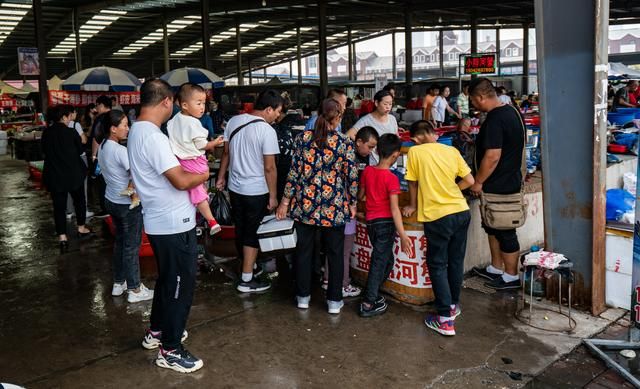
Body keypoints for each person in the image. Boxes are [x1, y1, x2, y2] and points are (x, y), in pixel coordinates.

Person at [128, 78, 209, 373]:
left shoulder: (137, 130)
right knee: (179, 285)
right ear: (166, 102)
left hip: (160, 220)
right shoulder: (153, 137)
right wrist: (204, 175)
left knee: (166, 280)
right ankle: (171, 349)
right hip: (174, 223)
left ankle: (158, 331)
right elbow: (180, 179)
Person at [276, 98, 358, 314]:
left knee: (303, 252)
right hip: (334, 207)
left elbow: (293, 173)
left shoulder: (302, 139)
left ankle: (303, 297)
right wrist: (353, 203)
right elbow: (351, 177)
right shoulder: (344, 143)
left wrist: (285, 201)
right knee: (335, 254)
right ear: (338, 117)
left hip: (305, 205)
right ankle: (333, 301)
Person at [402, 120, 474, 336]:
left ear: (417, 138)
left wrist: (413, 204)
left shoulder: (415, 152)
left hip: (437, 217)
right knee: (455, 261)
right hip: (461, 212)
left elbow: (412, 184)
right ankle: (453, 305)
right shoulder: (451, 150)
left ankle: (444, 319)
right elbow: (470, 180)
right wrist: (451, 191)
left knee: (438, 264)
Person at [215, 89, 282, 293]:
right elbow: (269, 167)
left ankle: (249, 265)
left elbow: (226, 152)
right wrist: (273, 195)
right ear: (268, 109)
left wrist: (221, 176)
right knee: (252, 233)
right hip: (256, 190)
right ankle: (246, 279)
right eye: (277, 111)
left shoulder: (234, 121)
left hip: (235, 188)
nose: (278, 116)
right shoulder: (267, 131)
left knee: (242, 228)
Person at [468, 78, 525, 291]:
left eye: (473, 100)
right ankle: (496, 267)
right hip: (505, 180)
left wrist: (478, 181)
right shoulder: (511, 112)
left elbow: (492, 156)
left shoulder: (495, 119)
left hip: (501, 184)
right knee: (491, 225)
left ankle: (511, 276)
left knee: (504, 229)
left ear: (481, 97)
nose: (473, 105)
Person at [98, 110, 152, 303]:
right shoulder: (120, 151)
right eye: (124, 125)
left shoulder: (103, 146)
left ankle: (118, 283)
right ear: (113, 129)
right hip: (126, 205)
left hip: (111, 201)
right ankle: (135, 289)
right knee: (131, 247)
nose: (128, 129)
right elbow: (137, 175)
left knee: (120, 243)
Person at [321, 126, 379, 298]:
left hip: (337, 207)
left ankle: (327, 280)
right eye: (369, 146)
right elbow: (353, 186)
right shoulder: (349, 156)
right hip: (346, 210)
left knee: (334, 247)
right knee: (344, 250)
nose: (371, 151)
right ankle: (343, 284)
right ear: (358, 141)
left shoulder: (358, 156)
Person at [358, 134, 411, 317]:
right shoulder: (391, 178)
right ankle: (368, 303)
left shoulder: (367, 171)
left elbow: (361, 196)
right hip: (386, 224)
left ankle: (371, 293)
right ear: (396, 155)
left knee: (386, 260)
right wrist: (403, 236)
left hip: (371, 223)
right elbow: (395, 210)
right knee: (380, 262)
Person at [166, 83, 224, 236]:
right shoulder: (193, 123)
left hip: (179, 161)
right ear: (184, 105)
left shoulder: (175, 119)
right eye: (198, 103)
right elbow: (203, 145)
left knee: (196, 190)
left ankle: (199, 216)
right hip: (195, 162)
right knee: (200, 193)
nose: (202, 107)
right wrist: (215, 143)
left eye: (204, 103)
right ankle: (211, 221)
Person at [41, 104, 93, 253]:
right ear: (63, 117)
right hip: (73, 173)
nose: (71, 117)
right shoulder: (71, 133)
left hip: (55, 175)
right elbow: (80, 150)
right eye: (69, 115)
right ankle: (81, 228)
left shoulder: (46, 133)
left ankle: (62, 237)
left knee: (59, 207)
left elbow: (44, 151)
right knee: (79, 201)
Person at [347, 90, 398, 164]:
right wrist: (367, 145)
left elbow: (396, 137)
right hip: (374, 164)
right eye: (385, 104)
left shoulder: (392, 119)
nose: (388, 107)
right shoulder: (366, 120)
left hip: (392, 165)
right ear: (376, 103)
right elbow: (349, 134)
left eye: (390, 104)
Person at [66, 106, 93, 219]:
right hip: (79, 158)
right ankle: (83, 210)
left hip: (67, 158)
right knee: (82, 185)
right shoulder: (75, 125)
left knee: (68, 184)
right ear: (71, 113)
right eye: (75, 112)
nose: (76, 113)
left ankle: (69, 212)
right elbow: (84, 140)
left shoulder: (58, 126)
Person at [90, 95, 113, 217]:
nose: (96, 108)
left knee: (102, 181)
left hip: (103, 153)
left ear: (102, 105)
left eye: (97, 105)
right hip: (116, 152)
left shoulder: (100, 119)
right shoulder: (117, 115)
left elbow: (96, 138)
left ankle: (106, 209)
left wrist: (94, 156)